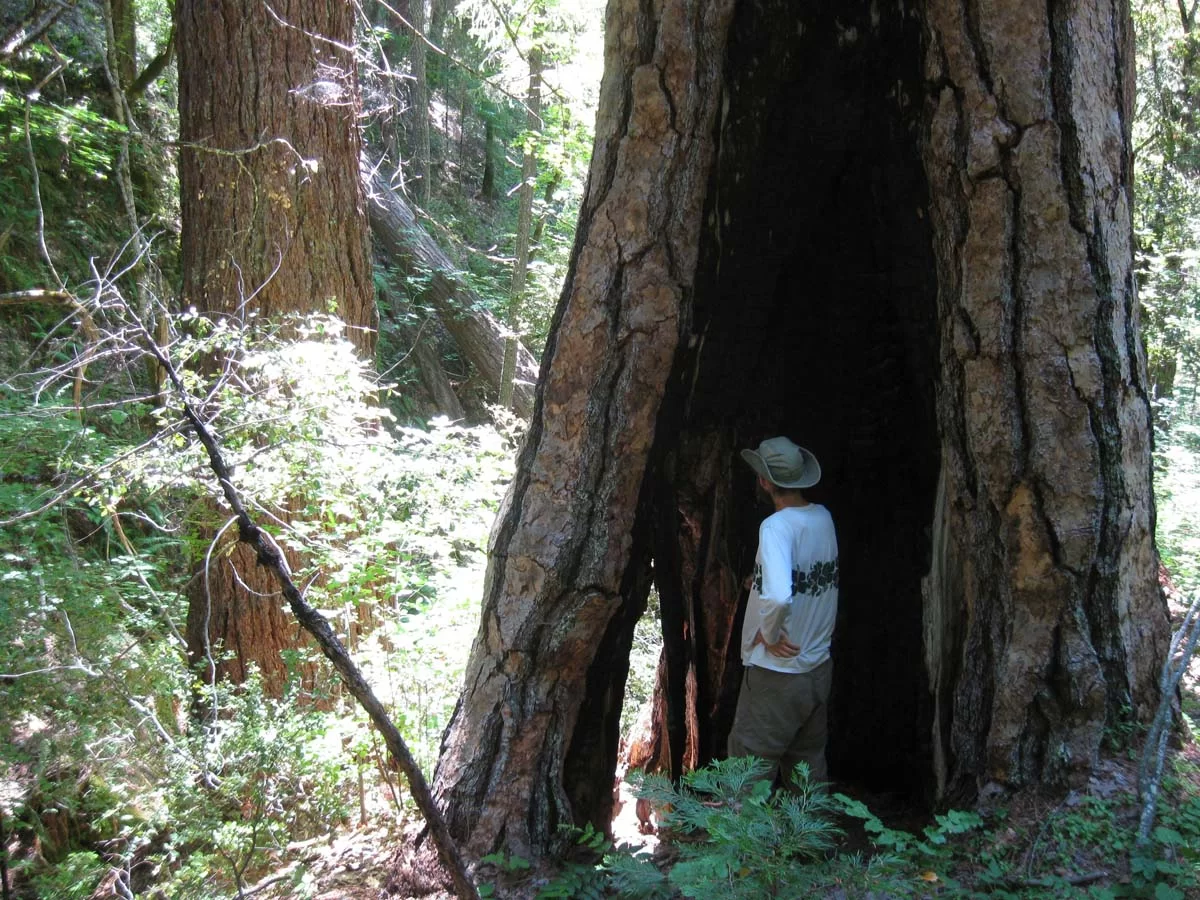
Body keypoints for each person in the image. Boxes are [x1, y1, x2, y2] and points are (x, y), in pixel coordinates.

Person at [727, 435, 839, 789]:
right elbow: (807, 576)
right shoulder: (822, 518)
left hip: (777, 674)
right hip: (817, 668)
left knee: (747, 772)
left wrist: (769, 635)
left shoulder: (775, 527)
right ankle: (808, 844)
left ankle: (740, 847)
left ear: (764, 481)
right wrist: (756, 581)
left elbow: (779, 597)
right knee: (806, 771)